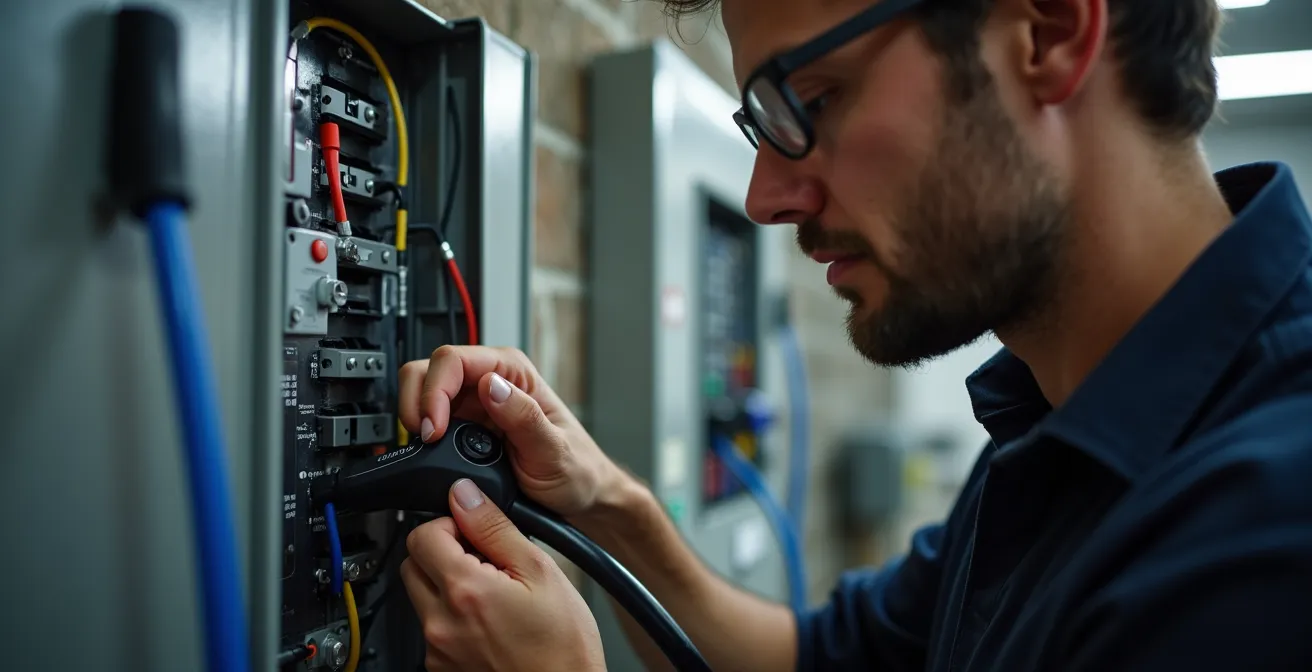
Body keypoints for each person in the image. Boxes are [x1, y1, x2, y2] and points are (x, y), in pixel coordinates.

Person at [394, 0, 1312, 669]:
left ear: (1052, 33)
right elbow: (814, 659)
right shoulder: (1054, 428)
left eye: (813, 99)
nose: (763, 198)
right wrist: (600, 500)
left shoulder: (1265, 533)